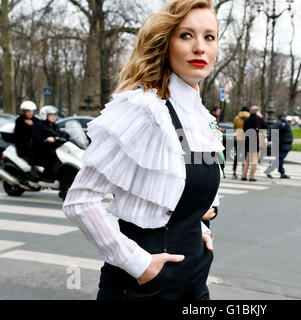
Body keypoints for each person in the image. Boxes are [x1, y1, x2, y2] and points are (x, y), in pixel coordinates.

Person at [63, 0, 224, 300]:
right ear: (166, 43)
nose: (200, 47)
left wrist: (200, 232)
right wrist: (139, 264)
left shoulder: (202, 118)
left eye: (209, 37)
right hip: (144, 286)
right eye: (186, 35)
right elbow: (80, 200)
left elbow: (189, 198)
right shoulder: (143, 109)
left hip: (194, 282)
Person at [33, 106, 69, 182]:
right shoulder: (40, 125)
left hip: (55, 148)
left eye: (54, 115)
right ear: (44, 115)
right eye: (51, 115)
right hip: (42, 150)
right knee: (54, 158)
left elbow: (60, 134)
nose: (53, 117)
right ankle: (48, 177)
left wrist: (67, 135)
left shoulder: (54, 125)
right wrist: (46, 139)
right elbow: (37, 139)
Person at [264, 114, 293, 179]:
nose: (285, 118)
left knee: (280, 159)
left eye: (285, 117)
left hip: (284, 144)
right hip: (282, 145)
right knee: (279, 159)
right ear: (281, 117)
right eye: (284, 117)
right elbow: (273, 131)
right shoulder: (280, 123)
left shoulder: (282, 123)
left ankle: (281, 173)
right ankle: (271, 171)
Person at [241, 105, 266, 182]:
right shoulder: (259, 119)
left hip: (248, 141)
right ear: (256, 111)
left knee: (247, 160)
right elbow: (265, 126)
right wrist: (261, 117)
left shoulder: (246, 120)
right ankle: (251, 177)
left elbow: (244, 130)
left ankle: (244, 175)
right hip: (256, 141)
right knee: (255, 160)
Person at [13, 101, 40, 165]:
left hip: (36, 144)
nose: (31, 113)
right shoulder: (19, 121)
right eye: (29, 111)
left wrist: (33, 125)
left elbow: (39, 131)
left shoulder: (36, 120)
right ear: (24, 112)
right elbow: (19, 136)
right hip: (24, 147)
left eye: (32, 111)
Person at [232, 106, 250, 180]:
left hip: (237, 138)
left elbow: (235, 127)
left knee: (237, 156)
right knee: (245, 156)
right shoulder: (249, 117)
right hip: (245, 138)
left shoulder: (236, 118)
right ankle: (244, 172)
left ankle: (234, 173)